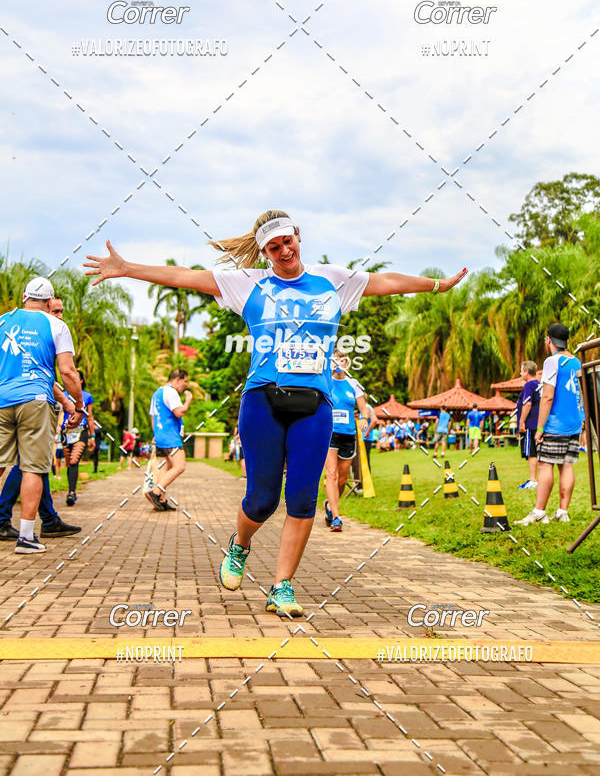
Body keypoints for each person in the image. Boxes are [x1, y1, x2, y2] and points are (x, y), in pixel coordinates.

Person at [84, 210, 467, 616]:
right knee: (262, 499)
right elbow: (183, 276)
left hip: (315, 404)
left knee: (302, 497)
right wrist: (127, 269)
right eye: (274, 247)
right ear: (264, 252)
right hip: (263, 400)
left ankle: (282, 586)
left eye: (288, 241)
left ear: (298, 236)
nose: (284, 251)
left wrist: (436, 285)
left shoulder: (332, 280)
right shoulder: (248, 283)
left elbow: (385, 283)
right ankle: (239, 546)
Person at [0, 277, 83, 552]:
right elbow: (68, 372)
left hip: (2, 400)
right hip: (36, 402)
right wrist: (78, 403)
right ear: (50, 302)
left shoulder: (2, 321)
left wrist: (66, 402)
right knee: (32, 467)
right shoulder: (56, 325)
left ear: (24, 296)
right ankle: (26, 537)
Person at [515, 323, 584, 526]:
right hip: (574, 423)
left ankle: (539, 512)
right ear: (568, 341)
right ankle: (563, 511)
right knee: (566, 465)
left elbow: (547, 396)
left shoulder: (552, 362)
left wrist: (540, 428)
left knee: (545, 464)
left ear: (548, 340)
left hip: (555, 423)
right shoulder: (576, 362)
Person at [323, 352, 374, 532]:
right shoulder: (325, 381)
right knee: (332, 474)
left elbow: (363, 408)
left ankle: (329, 505)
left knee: (342, 479)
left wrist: (364, 419)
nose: (338, 363)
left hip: (348, 434)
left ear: (346, 363)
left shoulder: (353, 384)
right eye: (335, 359)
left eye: (341, 360)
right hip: (329, 433)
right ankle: (336, 517)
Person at [147, 368, 193, 511]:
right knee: (180, 466)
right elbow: (179, 412)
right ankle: (155, 492)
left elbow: (153, 416)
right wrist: (188, 401)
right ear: (178, 379)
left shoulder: (157, 393)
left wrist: (156, 434)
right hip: (170, 437)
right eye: (184, 381)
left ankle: (161, 500)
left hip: (160, 436)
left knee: (165, 467)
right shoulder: (171, 392)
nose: (185, 385)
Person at [62, 369, 95, 506]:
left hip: (81, 430)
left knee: (75, 460)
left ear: (81, 380)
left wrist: (92, 436)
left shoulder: (87, 396)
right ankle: (71, 489)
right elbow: (59, 414)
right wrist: (58, 430)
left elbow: (90, 417)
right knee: (69, 462)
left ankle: (71, 492)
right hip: (65, 431)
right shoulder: (63, 395)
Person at [516, 360, 541, 489]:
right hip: (540, 424)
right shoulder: (539, 384)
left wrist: (521, 421)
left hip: (531, 424)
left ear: (526, 371)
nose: (520, 373)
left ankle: (533, 480)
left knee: (531, 452)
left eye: (521, 370)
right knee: (538, 452)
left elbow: (528, 403)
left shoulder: (528, 385)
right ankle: (538, 479)